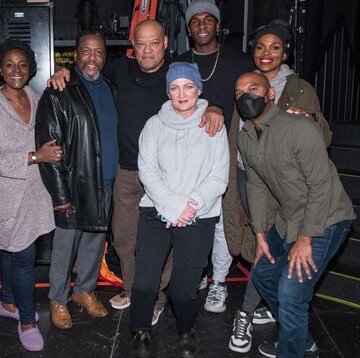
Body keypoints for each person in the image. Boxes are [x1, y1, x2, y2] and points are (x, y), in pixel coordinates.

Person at [47, 20, 224, 325]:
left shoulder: (178, 72)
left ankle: (156, 296)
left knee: (169, 243)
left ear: (166, 42)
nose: (147, 50)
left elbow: (205, 92)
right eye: (140, 44)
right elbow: (88, 68)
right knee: (124, 239)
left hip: (170, 177)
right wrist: (62, 71)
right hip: (127, 172)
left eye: (154, 43)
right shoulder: (120, 70)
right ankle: (135, 290)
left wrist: (215, 108)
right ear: (132, 45)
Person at [225, 20, 331, 353]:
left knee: (272, 254)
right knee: (258, 245)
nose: (266, 53)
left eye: (274, 47)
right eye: (259, 47)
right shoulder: (243, 84)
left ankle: (244, 313)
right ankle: (281, 315)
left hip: (285, 184)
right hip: (250, 176)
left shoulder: (299, 88)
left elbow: (323, 137)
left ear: (284, 52)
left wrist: (309, 121)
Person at [235, 71, 355, 358]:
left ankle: (292, 350)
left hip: (326, 218)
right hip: (288, 219)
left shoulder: (300, 128)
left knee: (291, 292)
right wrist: (260, 235)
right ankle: (301, 339)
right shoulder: (246, 137)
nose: (245, 96)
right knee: (263, 275)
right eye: (239, 93)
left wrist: (305, 239)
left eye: (253, 88)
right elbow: (256, 184)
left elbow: (321, 187)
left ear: (270, 94)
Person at [131, 62, 229, 358]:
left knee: (183, 289)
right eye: (174, 87)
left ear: (199, 89)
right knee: (145, 283)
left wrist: (190, 205)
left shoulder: (213, 124)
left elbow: (219, 176)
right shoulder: (154, 124)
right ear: (168, 92)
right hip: (157, 211)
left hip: (198, 214)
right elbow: (146, 171)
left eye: (188, 86)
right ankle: (140, 329)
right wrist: (173, 206)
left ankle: (186, 330)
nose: (181, 93)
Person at [0, 39, 60, 351]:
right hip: (6, 195)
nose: (16, 70)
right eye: (9, 64)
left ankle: (9, 302)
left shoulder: (37, 98)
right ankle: (27, 321)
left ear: (31, 69)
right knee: (23, 256)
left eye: (23, 64)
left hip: (35, 193)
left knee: (13, 252)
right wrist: (36, 157)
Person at [174, 0, 255, 314]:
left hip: (228, 157)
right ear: (189, 28)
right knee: (193, 220)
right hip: (188, 158)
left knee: (222, 223)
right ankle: (198, 275)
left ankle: (219, 281)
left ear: (218, 25)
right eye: (195, 20)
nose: (202, 25)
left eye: (208, 19)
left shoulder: (239, 61)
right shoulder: (179, 61)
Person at [35, 30, 118, 329]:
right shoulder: (60, 91)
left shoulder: (112, 87)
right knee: (65, 247)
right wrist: (60, 196)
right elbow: (50, 148)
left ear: (105, 56)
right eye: (86, 51)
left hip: (107, 182)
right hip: (73, 184)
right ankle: (58, 298)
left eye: (98, 52)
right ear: (76, 54)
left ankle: (84, 291)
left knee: (95, 243)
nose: (92, 58)